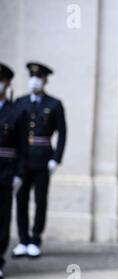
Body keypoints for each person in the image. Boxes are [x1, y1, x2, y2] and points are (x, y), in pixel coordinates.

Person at [12, 62, 66, 259]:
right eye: (32, 77)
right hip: (23, 159)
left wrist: (56, 159)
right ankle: (23, 239)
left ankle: (35, 239)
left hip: (43, 158)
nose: (34, 81)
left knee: (40, 200)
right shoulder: (20, 102)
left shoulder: (54, 104)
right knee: (21, 200)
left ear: (45, 80)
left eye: (38, 78)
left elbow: (62, 133)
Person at [0, 63, 27, 279]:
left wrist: (19, 174)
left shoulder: (16, 111)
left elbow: (23, 147)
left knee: (1, 218)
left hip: (5, 173)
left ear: (8, 83)